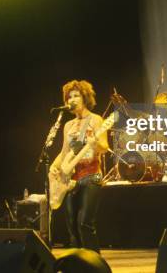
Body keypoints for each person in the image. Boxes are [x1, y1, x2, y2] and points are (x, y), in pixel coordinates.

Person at [50, 80, 109, 252]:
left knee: (85, 223)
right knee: (72, 227)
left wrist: (95, 142)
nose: (72, 100)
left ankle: (95, 265)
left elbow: (104, 147)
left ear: (85, 98)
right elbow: (64, 152)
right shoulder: (68, 125)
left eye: (76, 96)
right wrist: (55, 166)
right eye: (69, 97)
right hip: (71, 180)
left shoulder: (96, 120)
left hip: (92, 176)